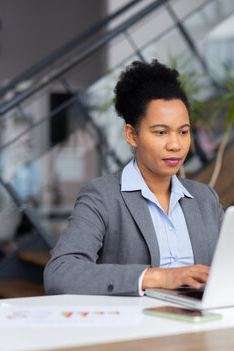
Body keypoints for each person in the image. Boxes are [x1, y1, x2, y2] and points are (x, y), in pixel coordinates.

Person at [44, 60, 224, 296]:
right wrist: (158, 277)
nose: (175, 144)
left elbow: (233, 267)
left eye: (183, 131)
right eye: (161, 132)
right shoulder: (103, 196)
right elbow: (60, 273)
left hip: (201, 323)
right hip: (138, 326)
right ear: (132, 135)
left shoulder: (205, 198)